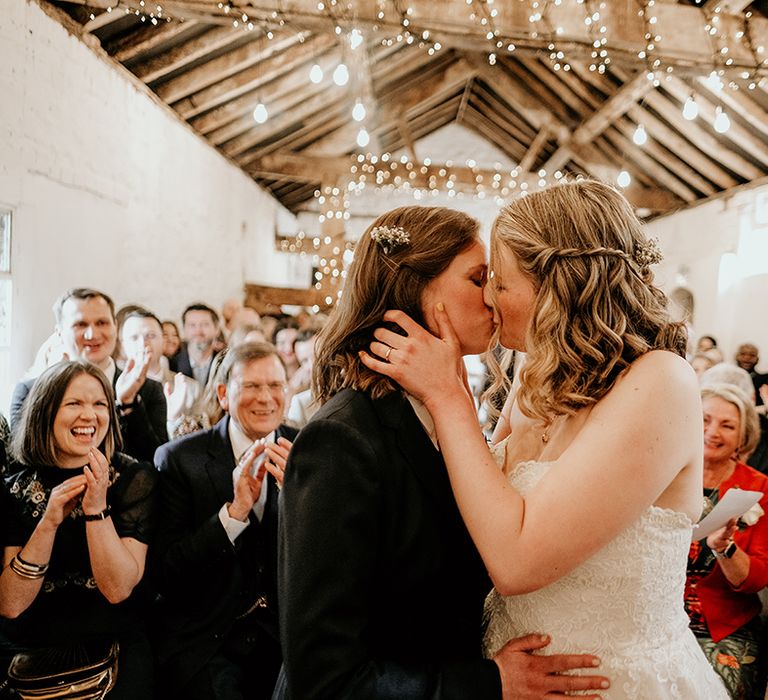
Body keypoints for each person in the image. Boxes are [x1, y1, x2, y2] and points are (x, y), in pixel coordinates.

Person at [361, 182, 728, 697]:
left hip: (613, 680)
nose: (488, 297)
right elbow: (480, 505)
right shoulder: (536, 381)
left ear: (558, 286)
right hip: (508, 670)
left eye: (501, 283)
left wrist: (450, 398)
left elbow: (516, 562)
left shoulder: (662, 382)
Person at [277, 205, 608, 700]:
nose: (494, 299)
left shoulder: (443, 410)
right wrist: (487, 683)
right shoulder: (344, 439)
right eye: (478, 279)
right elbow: (323, 675)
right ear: (417, 289)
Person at [0, 361, 157, 698]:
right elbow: (10, 604)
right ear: (45, 411)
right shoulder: (13, 490)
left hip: (113, 652)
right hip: (30, 657)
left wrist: (96, 509)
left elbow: (117, 589)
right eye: (74, 404)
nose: (90, 415)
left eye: (99, 404)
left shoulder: (133, 479)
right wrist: (49, 522)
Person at [153, 342, 295, 700]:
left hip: (287, 637)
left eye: (275, 385)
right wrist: (234, 514)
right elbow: (167, 571)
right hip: (211, 637)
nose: (266, 397)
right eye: (251, 386)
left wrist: (302, 495)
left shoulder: (307, 451)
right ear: (223, 394)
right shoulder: (180, 460)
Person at [11, 288, 167, 462]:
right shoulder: (28, 391)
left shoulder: (149, 389)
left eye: (102, 323)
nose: (92, 335)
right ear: (60, 333)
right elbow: (19, 463)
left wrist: (127, 404)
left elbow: (157, 463)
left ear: (115, 327)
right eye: (80, 324)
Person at [686, 384, 768, 699]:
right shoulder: (662, 475)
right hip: (657, 618)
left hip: (724, 627)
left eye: (727, 425)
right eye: (704, 420)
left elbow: (756, 578)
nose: (712, 432)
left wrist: (725, 548)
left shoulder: (758, 488)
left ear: (743, 436)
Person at [171, 303, 220, 388]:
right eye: (192, 325)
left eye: (205, 324)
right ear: (184, 330)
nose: (198, 331)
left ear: (216, 330)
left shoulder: (226, 364)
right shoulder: (171, 365)